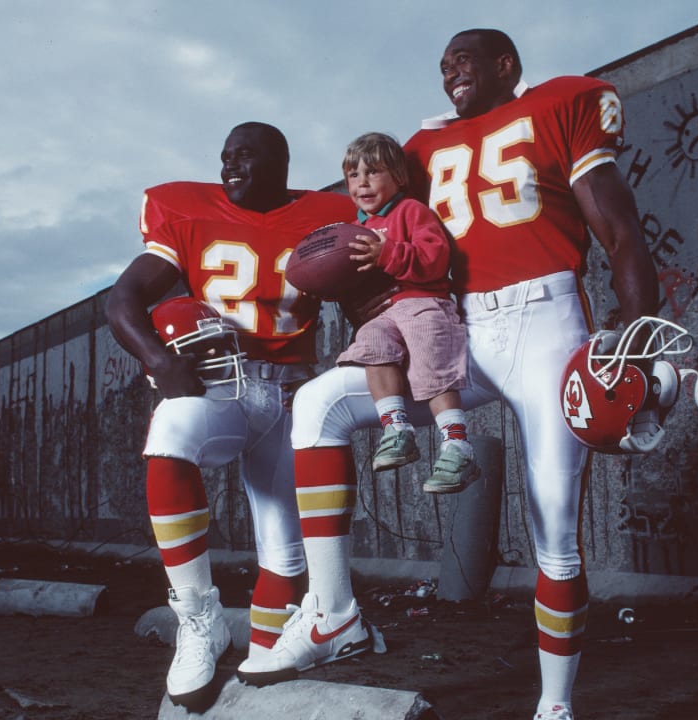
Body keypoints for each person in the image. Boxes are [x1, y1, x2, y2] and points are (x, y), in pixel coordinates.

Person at [236, 30, 659, 720]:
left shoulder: (564, 103)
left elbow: (618, 227)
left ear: (505, 65)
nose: (448, 71)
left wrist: (637, 329)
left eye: (463, 59)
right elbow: (384, 232)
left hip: (545, 322)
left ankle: (555, 706)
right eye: (441, 64)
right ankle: (334, 611)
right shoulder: (421, 149)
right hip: (456, 324)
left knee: (554, 525)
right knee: (318, 405)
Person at [105, 121, 354, 709]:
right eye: (224, 157)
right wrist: (159, 362)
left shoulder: (328, 215)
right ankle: (198, 619)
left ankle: (260, 668)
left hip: (295, 391)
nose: (228, 166)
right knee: (168, 433)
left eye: (244, 155)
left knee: (286, 553)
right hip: (224, 389)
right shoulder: (187, 211)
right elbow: (121, 301)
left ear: (280, 163)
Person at [337, 132, 476, 494]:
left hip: (424, 301)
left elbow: (435, 259)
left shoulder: (410, 211)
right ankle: (397, 429)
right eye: (353, 175)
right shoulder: (356, 229)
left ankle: (457, 444)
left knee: (428, 355)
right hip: (387, 312)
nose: (362, 182)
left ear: (398, 176)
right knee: (370, 341)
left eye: (373, 172)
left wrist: (387, 254)